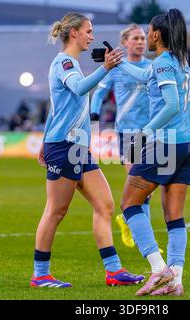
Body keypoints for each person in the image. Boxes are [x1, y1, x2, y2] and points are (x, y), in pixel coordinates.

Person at [31, 12, 144, 289]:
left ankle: (114, 271)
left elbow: (56, 108)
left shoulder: (73, 64)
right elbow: (80, 88)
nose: (92, 36)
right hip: (65, 147)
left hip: (78, 147)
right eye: (88, 31)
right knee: (56, 211)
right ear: (74, 34)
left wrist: (44, 140)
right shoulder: (65, 62)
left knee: (104, 205)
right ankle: (40, 275)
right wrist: (105, 68)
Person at [116, 8, 190, 296]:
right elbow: (142, 74)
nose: (146, 36)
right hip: (189, 144)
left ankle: (157, 267)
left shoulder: (163, 62)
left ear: (156, 34)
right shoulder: (177, 60)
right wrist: (116, 63)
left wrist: (145, 132)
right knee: (174, 216)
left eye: (149, 31)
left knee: (129, 204)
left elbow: (173, 104)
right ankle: (175, 280)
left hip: (167, 144)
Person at [90, 24, 154, 250]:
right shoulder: (116, 68)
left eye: (143, 38)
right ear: (125, 42)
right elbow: (99, 93)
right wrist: (94, 117)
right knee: (139, 182)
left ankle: (130, 223)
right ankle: (142, 235)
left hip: (152, 132)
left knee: (147, 187)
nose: (140, 42)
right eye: (135, 38)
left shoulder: (152, 66)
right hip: (129, 133)